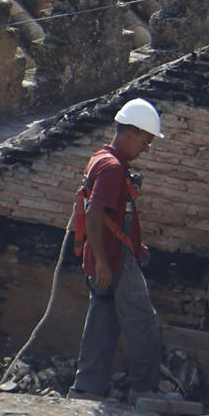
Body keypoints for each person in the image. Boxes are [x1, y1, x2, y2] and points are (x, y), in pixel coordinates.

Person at [69, 97, 165, 400]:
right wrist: (103, 262)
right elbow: (95, 213)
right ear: (130, 134)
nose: (145, 149)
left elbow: (111, 215)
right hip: (113, 259)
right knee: (143, 321)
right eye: (145, 141)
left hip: (108, 254)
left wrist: (135, 244)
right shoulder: (112, 168)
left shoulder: (101, 159)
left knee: (102, 320)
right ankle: (146, 390)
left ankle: (88, 388)